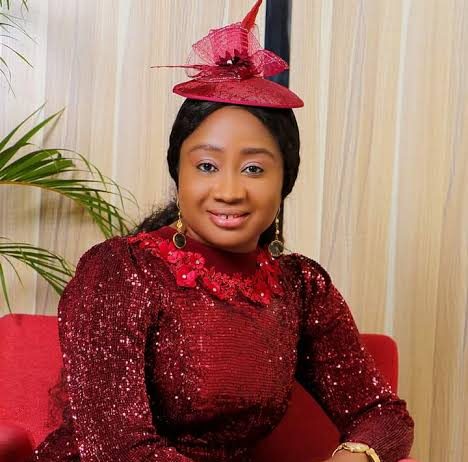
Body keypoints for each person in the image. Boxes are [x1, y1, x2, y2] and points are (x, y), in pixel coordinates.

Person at [29, 1, 414, 461]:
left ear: (285, 182)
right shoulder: (121, 271)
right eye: (207, 166)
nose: (229, 191)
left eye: (254, 169)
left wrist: (354, 455)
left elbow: (384, 414)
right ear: (179, 174)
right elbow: (118, 448)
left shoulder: (301, 287)